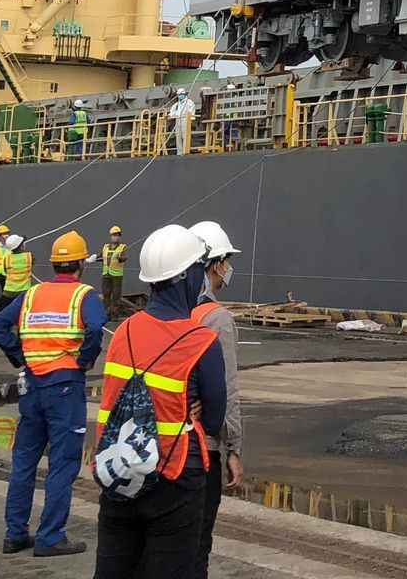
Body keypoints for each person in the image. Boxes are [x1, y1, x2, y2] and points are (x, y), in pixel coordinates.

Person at [92, 225, 227, 579]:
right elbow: (213, 421)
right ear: (186, 276)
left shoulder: (123, 332)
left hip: (120, 471)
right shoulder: (202, 341)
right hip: (176, 476)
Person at [0, 229, 104, 558]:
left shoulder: (31, 295)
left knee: (25, 460)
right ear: (81, 263)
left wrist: (20, 357)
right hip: (65, 386)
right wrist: (84, 359)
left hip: (31, 386)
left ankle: (15, 534)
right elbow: (96, 328)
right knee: (63, 462)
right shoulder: (84, 295)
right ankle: (50, 535)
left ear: (55, 264)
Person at [187, 221, 246, 579]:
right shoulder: (217, 318)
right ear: (214, 263)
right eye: (225, 261)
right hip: (201, 449)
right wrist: (235, 448)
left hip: (160, 445)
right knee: (197, 546)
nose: (227, 270)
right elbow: (227, 389)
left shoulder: (166, 314)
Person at [99, 226, 128, 317]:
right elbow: (101, 257)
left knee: (116, 295)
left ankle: (114, 314)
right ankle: (107, 313)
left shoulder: (122, 247)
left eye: (118, 235)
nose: (116, 236)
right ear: (111, 236)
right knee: (106, 295)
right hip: (106, 274)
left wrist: (120, 258)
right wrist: (93, 258)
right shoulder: (105, 247)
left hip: (116, 275)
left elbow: (124, 258)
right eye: (114, 235)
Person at [167, 88, 196, 156]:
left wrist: (190, 120)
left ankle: (185, 151)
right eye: (179, 95)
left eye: (181, 94)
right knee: (178, 137)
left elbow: (191, 112)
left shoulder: (189, 102)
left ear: (184, 94)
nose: (180, 96)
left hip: (185, 121)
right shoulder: (177, 104)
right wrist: (168, 116)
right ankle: (179, 152)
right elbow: (172, 112)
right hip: (178, 121)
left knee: (185, 136)